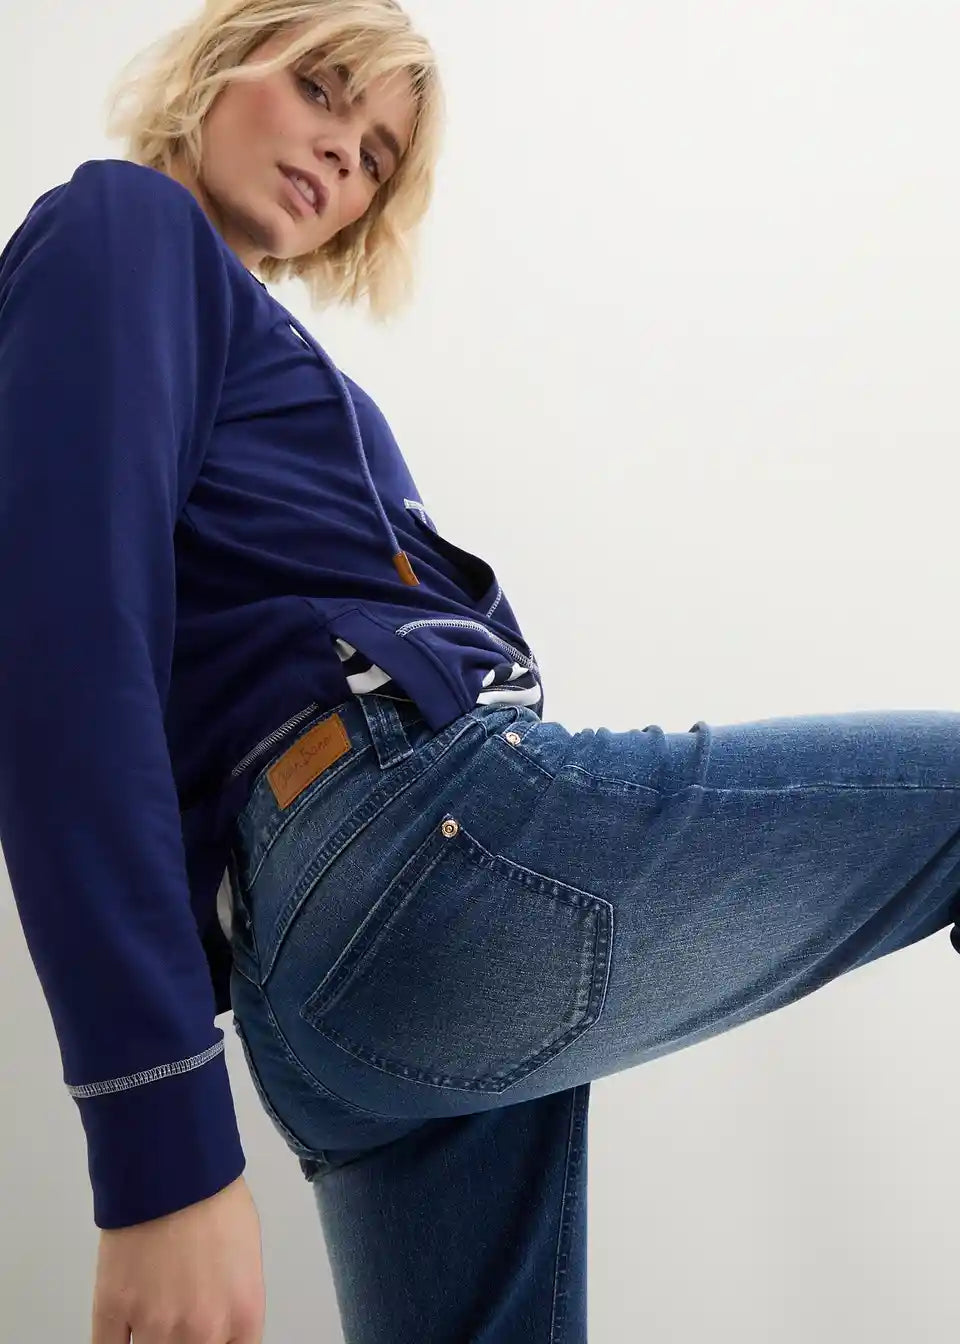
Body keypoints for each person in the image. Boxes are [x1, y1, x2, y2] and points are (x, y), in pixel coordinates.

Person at [2, 2, 960, 1341]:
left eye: (377, 156)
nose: (342, 154)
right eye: (323, 90)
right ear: (222, 64)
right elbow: (59, 647)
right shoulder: (123, 224)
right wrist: (156, 1136)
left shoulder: (259, 348)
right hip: (400, 846)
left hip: (338, 992)